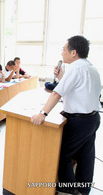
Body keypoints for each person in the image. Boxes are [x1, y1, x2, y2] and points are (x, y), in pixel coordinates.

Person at [31, 36, 101, 195]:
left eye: (64, 50)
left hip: (80, 121)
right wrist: (62, 76)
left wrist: (43, 113)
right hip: (93, 118)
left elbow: (57, 93)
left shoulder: (76, 69)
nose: (62, 53)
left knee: (61, 154)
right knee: (86, 156)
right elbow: (78, 89)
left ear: (74, 52)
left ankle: (69, 189)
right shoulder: (91, 68)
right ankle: (84, 189)